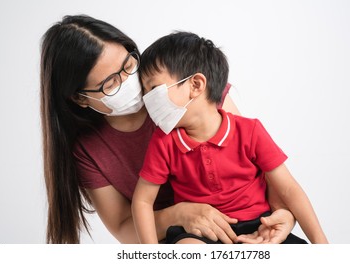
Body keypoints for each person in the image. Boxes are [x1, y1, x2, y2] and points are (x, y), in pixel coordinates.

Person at [40, 14, 299, 244]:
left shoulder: (181, 91)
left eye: (129, 65)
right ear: (81, 98)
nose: (130, 82)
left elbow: (258, 161)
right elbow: (123, 228)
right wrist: (179, 215)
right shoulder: (88, 149)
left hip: (251, 224)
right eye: (110, 83)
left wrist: (282, 213)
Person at [132, 31, 328, 244]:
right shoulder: (163, 142)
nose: (147, 99)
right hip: (200, 233)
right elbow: (142, 201)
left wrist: (321, 245)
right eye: (144, 91)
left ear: (196, 85)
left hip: (260, 227)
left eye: (153, 88)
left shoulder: (250, 131)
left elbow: (289, 189)